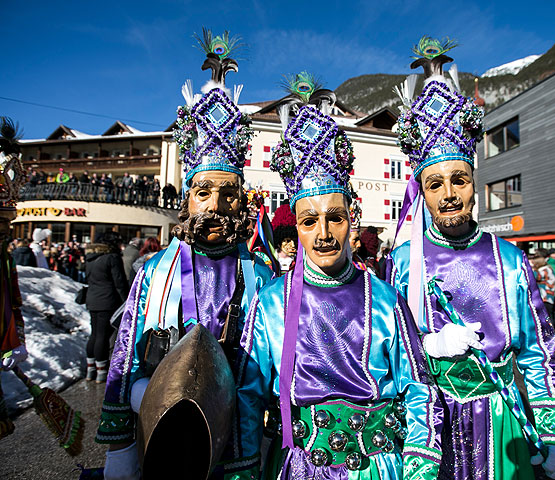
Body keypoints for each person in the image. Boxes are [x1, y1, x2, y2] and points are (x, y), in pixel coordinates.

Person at [386, 37, 555, 479]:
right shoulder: (402, 261)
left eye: (459, 180)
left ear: (474, 183)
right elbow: (392, 353)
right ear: (423, 192)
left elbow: (540, 351)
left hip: (499, 427)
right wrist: (428, 348)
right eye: (435, 184)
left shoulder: (509, 259)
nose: (450, 194)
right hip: (428, 431)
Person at [235, 72, 443, 479]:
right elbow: (247, 396)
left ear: (353, 220)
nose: (324, 233)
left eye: (335, 218)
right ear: (295, 226)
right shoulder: (273, 303)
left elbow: (419, 389)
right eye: (309, 221)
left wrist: (420, 465)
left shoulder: (385, 300)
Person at [96, 33, 272, 480]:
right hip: (167, 442)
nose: (214, 206)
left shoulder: (263, 275)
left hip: (241, 443)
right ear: (187, 198)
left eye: (227, 194)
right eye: (203, 192)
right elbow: (123, 360)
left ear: (243, 201)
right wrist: (122, 440)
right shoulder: (155, 273)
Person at [0, 117, 29, 440]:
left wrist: (11, 340)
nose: (5, 234)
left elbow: (11, 301)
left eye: (8, 227)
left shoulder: (5, 261)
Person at [85, 230, 129, 383]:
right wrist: (127, 300)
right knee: (103, 336)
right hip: (108, 300)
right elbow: (119, 282)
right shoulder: (112, 257)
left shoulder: (90, 258)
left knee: (95, 334)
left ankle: (91, 368)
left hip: (92, 299)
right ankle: (102, 370)